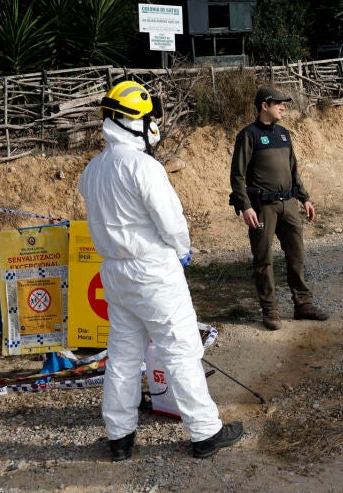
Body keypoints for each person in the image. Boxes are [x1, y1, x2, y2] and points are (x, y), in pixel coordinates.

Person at [78, 81, 243, 461]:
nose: (155, 125)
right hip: (152, 270)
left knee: (122, 356)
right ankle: (205, 432)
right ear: (135, 121)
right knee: (180, 349)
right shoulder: (143, 166)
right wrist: (183, 250)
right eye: (150, 118)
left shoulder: (93, 169)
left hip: (114, 272)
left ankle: (119, 436)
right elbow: (171, 221)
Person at [229, 86, 329, 330]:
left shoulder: (284, 134)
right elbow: (237, 175)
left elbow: (294, 170)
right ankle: (270, 311)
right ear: (264, 106)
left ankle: (303, 305)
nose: (283, 107)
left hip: (289, 205)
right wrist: (245, 206)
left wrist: (304, 198)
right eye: (278, 103)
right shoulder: (248, 135)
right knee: (263, 259)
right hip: (263, 208)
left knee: (296, 255)